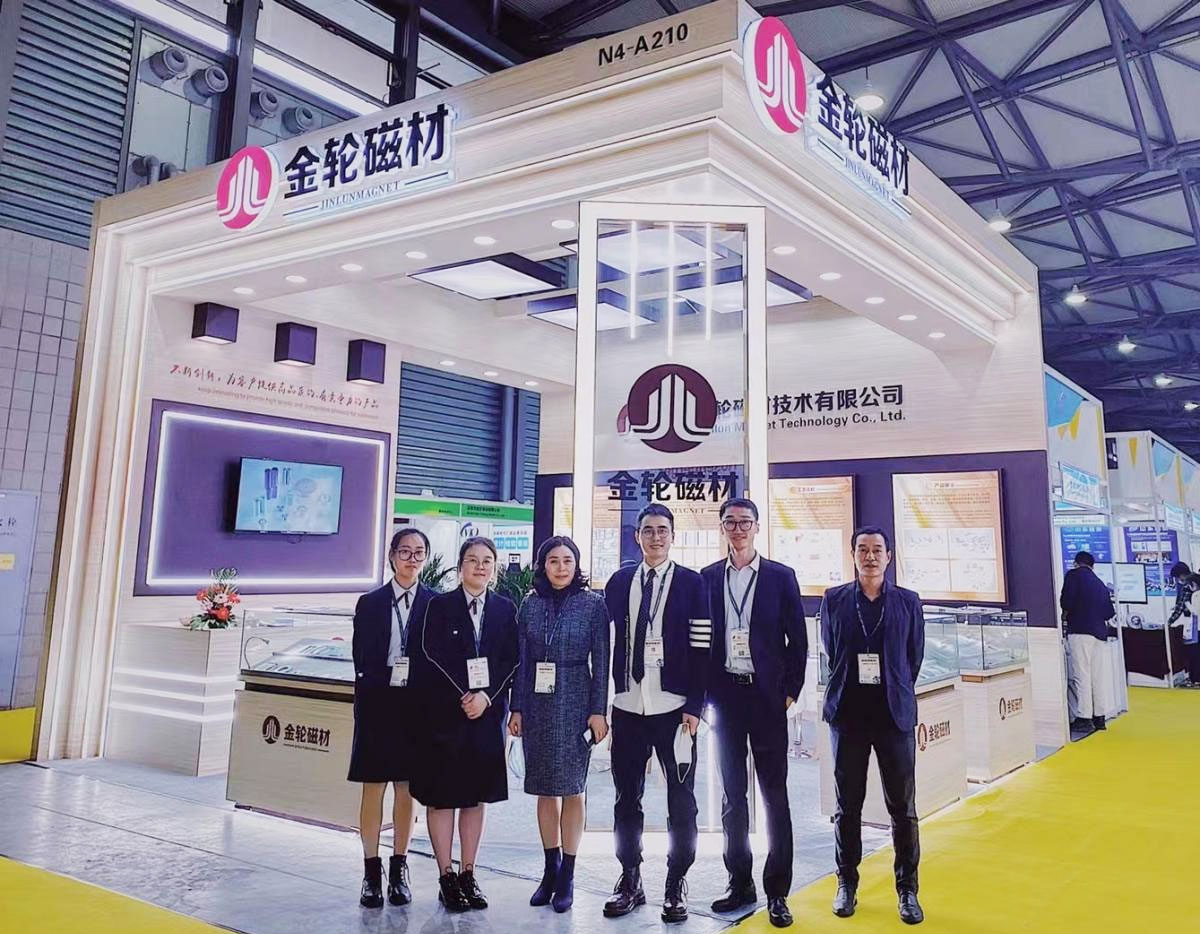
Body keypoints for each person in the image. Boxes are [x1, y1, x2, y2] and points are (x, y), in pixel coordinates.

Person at [602, 503, 711, 923]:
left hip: (674, 709)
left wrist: (695, 706)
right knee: (626, 797)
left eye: (662, 530)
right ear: (637, 536)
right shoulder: (619, 582)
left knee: (681, 800)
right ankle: (630, 878)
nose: (655, 537)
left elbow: (702, 648)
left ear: (673, 535)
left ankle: (675, 882)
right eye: (648, 530)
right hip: (628, 705)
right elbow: (606, 641)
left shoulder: (691, 583)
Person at [701, 498, 807, 929]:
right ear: (722, 528)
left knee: (774, 795)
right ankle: (739, 883)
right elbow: (702, 638)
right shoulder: (709, 577)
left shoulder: (781, 577)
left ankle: (777, 892)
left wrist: (789, 693)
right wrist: (705, 695)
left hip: (767, 700)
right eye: (730, 522)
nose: (738, 529)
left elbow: (797, 641)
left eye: (745, 522)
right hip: (726, 697)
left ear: (757, 527)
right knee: (732, 796)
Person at [819, 527, 925, 926]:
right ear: (852, 555)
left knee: (903, 809)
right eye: (862, 549)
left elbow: (913, 658)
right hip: (848, 716)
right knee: (847, 807)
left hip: (893, 717)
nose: (870, 556)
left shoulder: (908, 602)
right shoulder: (834, 599)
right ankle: (846, 883)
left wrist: (894, 687)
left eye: (877, 550)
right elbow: (831, 649)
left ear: (889, 556)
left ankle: (907, 889)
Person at [413, 536, 518, 913]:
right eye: (472, 560)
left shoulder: (505, 608)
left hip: (486, 716)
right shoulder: (439, 606)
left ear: (495, 567)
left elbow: (511, 659)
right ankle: (446, 876)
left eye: (487, 560)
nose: (480, 566)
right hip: (445, 713)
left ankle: (468, 873)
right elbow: (430, 652)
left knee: (475, 796)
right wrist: (466, 693)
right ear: (460, 566)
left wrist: (485, 697)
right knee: (443, 796)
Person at [508, 536, 611, 913]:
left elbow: (602, 661)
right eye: (553, 560)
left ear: (576, 564)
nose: (561, 567)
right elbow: (521, 661)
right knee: (544, 788)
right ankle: (549, 869)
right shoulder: (530, 604)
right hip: (536, 703)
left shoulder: (593, 604)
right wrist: (516, 708)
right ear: (543, 565)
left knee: (572, 788)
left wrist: (598, 711)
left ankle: (568, 872)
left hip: (576, 700)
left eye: (568, 560)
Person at [348, 527, 433, 908]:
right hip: (378, 705)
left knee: (406, 788)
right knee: (373, 787)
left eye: (418, 553)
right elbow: (361, 656)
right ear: (392, 556)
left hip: (416, 706)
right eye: (405, 552)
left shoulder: (434, 602)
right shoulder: (370, 603)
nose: (411, 559)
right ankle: (371, 871)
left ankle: (399, 868)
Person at [1059, 551, 1116, 734]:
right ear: (1092, 565)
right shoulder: (1100, 583)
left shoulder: (1073, 576)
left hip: (1080, 631)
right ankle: (1099, 717)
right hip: (1099, 634)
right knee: (1097, 676)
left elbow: (1066, 602)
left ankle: (1084, 717)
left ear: (1076, 563)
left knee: (1081, 675)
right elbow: (1109, 613)